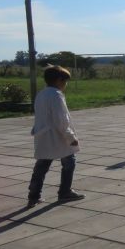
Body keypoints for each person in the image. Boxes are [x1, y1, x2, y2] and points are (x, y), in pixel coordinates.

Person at [27, 65, 85, 208]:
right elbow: (61, 119)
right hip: (57, 135)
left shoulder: (41, 94)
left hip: (43, 135)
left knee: (41, 166)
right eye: (65, 81)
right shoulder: (56, 95)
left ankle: (34, 195)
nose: (66, 85)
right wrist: (70, 137)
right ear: (59, 80)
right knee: (69, 162)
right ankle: (65, 191)